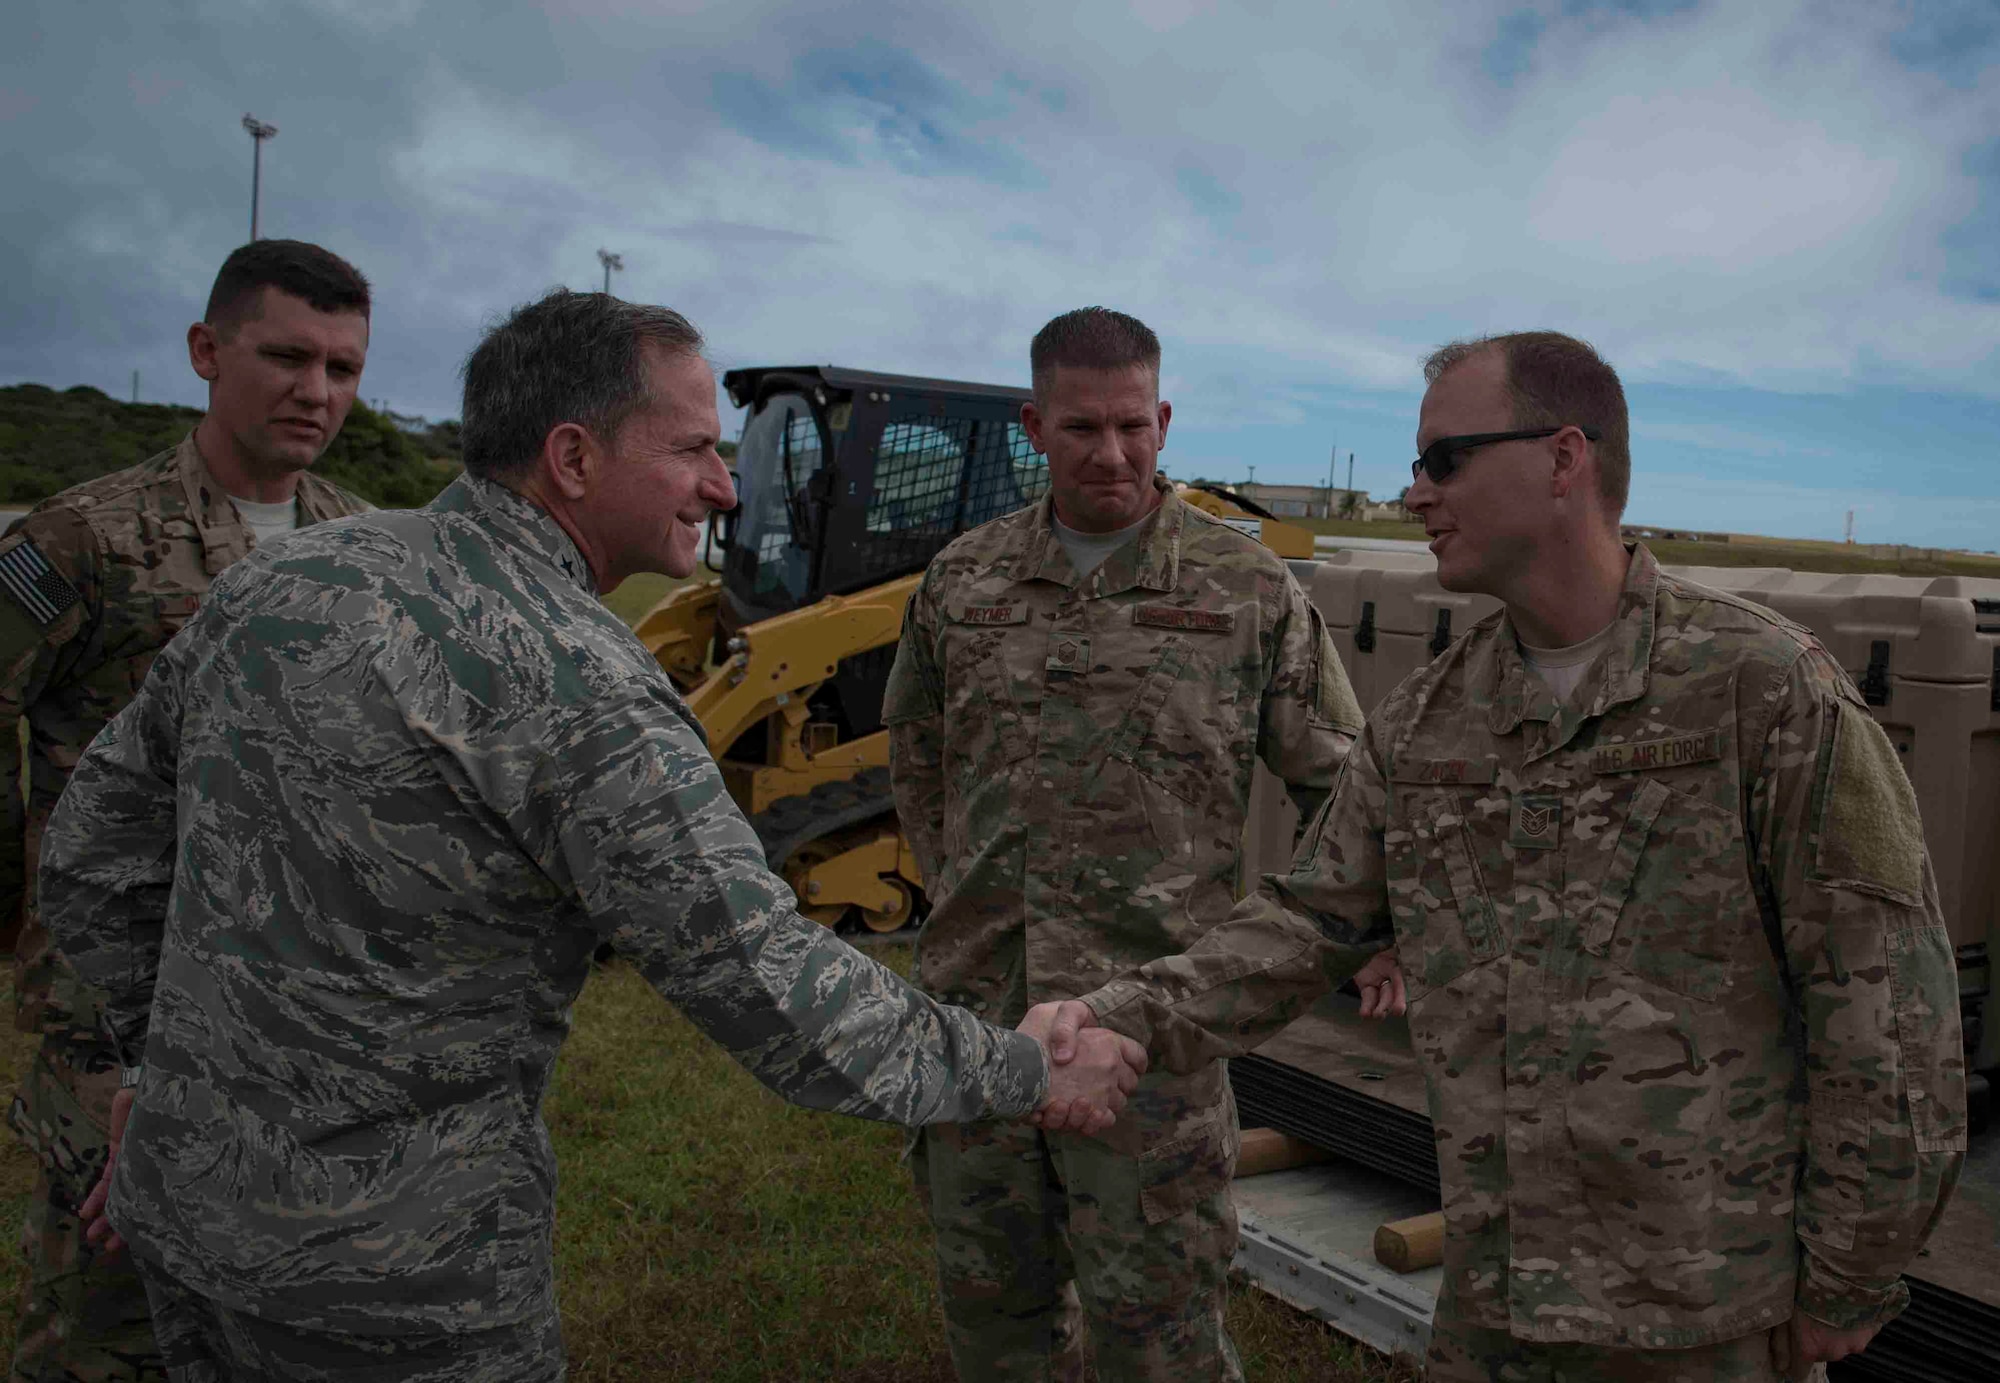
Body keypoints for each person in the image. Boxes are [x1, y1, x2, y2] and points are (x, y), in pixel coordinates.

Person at [40, 289, 1147, 1383]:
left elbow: (94, 852)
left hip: (184, 1216)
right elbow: (767, 985)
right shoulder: (570, 679)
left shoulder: (283, 579)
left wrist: (163, 1069)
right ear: (572, 459)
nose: (720, 486)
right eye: (693, 450)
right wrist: (1019, 1067)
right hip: (394, 1286)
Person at [1030, 331, 1966, 1381]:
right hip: (1495, 1301)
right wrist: (1115, 1021)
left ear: (1562, 459)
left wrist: (1849, 1273)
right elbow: (1307, 925)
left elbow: (1888, 1013)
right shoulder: (1429, 721)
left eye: (1443, 460)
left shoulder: (1764, 693)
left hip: (1702, 1318)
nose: (1412, 494)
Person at [885, 306, 1393, 1382]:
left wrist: (1371, 934)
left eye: (1131, 426)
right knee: (994, 1328)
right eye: (1080, 429)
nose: (1110, 454)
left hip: (1153, 1041)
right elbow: (920, 760)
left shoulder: (1245, 590)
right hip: (977, 1028)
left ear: (1162, 419)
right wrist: (964, 907)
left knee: (1158, 1340)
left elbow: (1339, 789)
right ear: (1033, 425)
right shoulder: (962, 583)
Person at [0, 238, 379, 1381]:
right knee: (109, 1314)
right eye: (286, 356)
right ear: (207, 352)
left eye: (344, 368)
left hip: (294, 1009)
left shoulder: (361, 548)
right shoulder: (85, 540)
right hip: (117, 1009)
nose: (316, 392)